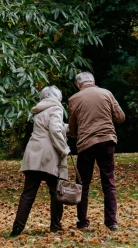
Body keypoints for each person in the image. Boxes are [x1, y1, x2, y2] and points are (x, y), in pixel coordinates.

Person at [67, 72, 125, 231]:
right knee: (109, 182)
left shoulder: (74, 99)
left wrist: (75, 133)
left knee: (83, 184)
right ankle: (111, 221)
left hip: (86, 145)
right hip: (107, 141)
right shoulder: (107, 94)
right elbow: (120, 117)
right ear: (93, 81)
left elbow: (72, 128)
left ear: (78, 85)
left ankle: (83, 222)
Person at [10, 86, 70, 237]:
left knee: (28, 193)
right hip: (48, 155)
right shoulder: (56, 108)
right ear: (58, 97)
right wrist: (64, 149)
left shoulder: (39, 109)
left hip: (32, 153)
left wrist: (68, 128)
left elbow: (49, 127)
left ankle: (17, 227)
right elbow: (55, 130)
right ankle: (55, 226)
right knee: (56, 191)